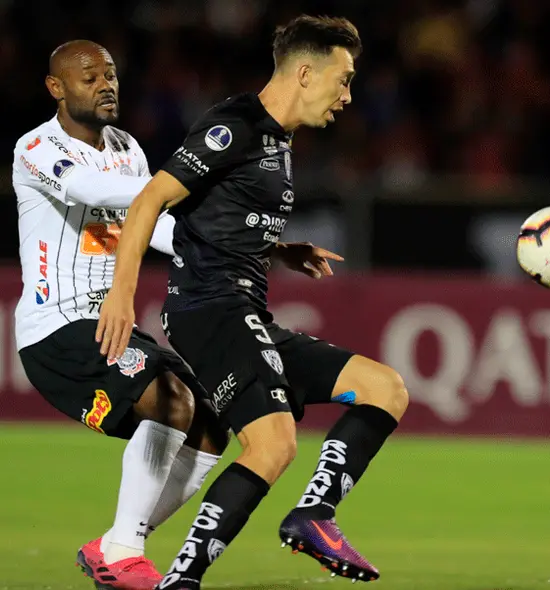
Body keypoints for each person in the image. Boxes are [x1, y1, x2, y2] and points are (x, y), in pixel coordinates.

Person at [96, 15, 409, 588]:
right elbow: (148, 203)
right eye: (343, 80)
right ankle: (181, 580)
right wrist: (122, 295)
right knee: (272, 442)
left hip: (244, 310)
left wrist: (279, 250)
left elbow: (218, 217)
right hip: (210, 309)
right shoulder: (234, 126)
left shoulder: (279, 141)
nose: (347, 96)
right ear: (306, 72)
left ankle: (314, 514)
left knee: (384, 388)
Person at [12, 40, 229, 589]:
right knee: (171, 401)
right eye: (89, 77)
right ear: (56, 88)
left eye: (111, 74)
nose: (106, 84)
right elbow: (89, 188)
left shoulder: (126, 148)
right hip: (56, 328)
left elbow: (151, 225)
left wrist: (238, 241)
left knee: (211, 425)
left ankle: (112, 544)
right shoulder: (35, 147)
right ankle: (126, 553)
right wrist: (180, 187)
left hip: (110, 323)